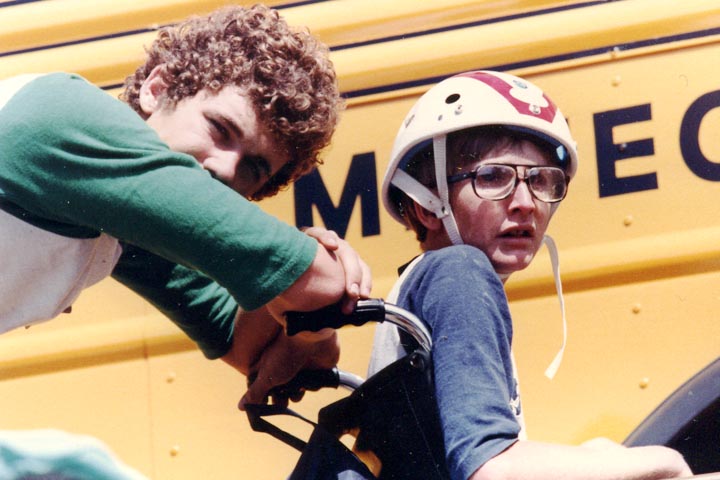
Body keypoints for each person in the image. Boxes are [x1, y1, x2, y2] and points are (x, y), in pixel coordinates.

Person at [0, 5, 370, 477]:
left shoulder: (116, 215)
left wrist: (311, 322)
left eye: (254, 169)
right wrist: (314, 296)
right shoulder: (65, 116)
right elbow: (318, 287)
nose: (225, 169)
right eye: (219, 129)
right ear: (156, 89)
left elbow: (245, 343)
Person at [369, 70, 691, 480]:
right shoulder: (459, 272)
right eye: (492, 177)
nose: (526, 202)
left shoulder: (421, 281)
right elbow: (491, 469)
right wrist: (664, 459)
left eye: (541, 180)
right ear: (426, 206)